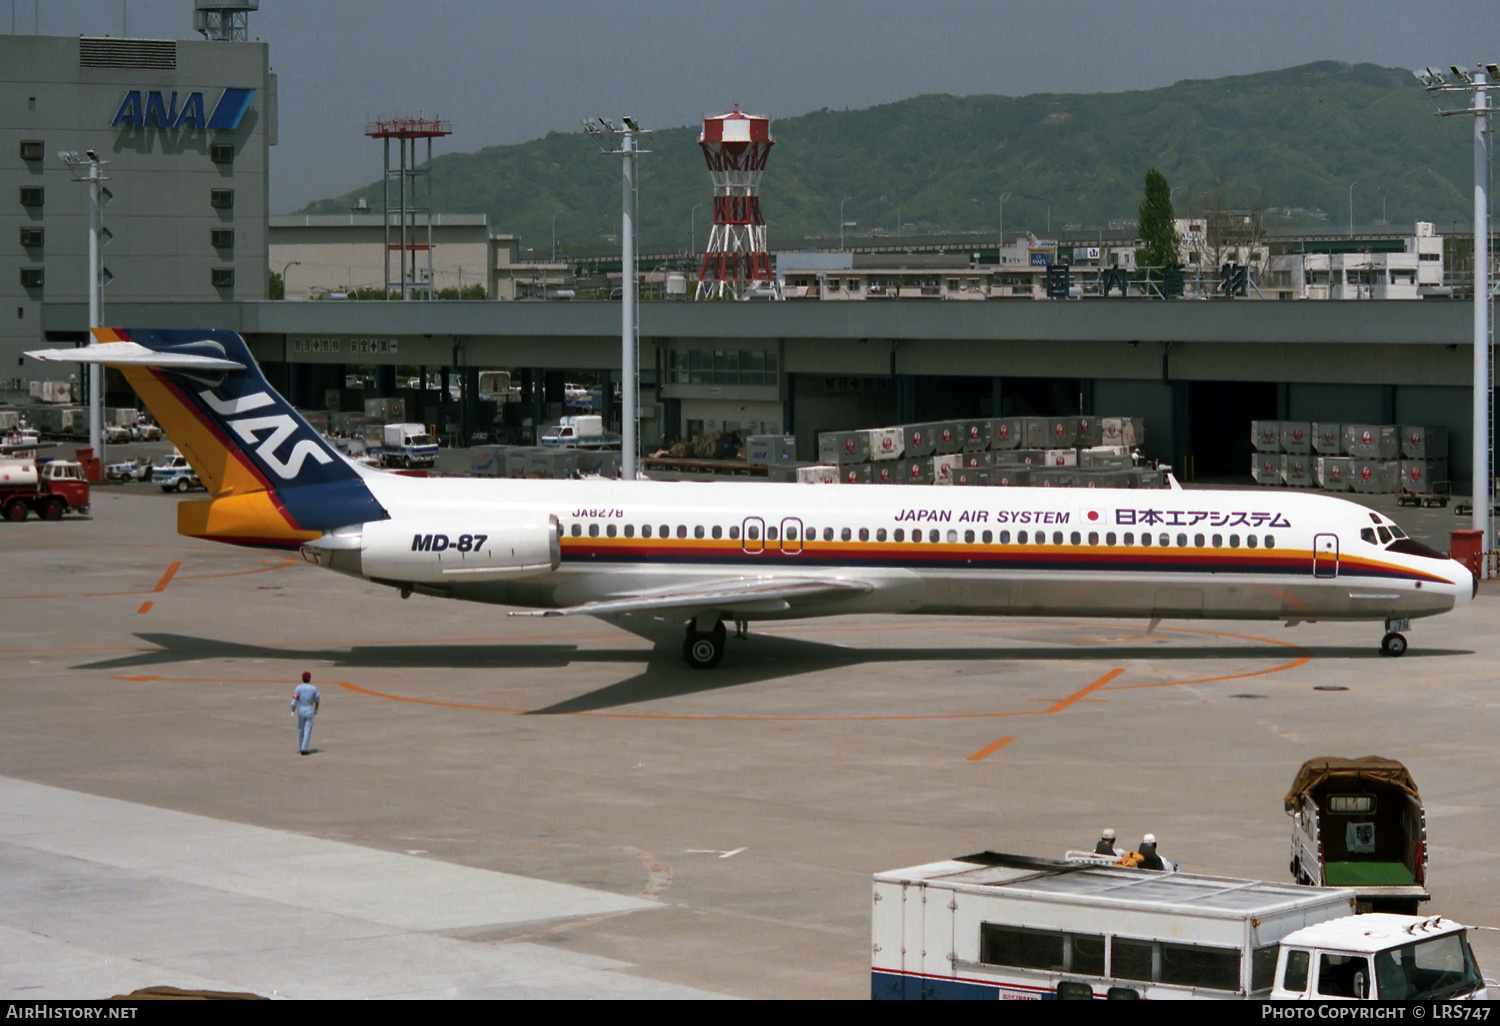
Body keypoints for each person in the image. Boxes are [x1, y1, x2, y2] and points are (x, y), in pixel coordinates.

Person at [290, 671, 320, 755]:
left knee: (301, 729)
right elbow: (317, 699)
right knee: (307, 730)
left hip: (301, 710)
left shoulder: (298, 688)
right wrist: (316, 709)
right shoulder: (313, 688)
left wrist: (293, 708)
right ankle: (304, 748)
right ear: (309, 679)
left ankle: (301, 746)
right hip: (309, 709)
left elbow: (295, 699)